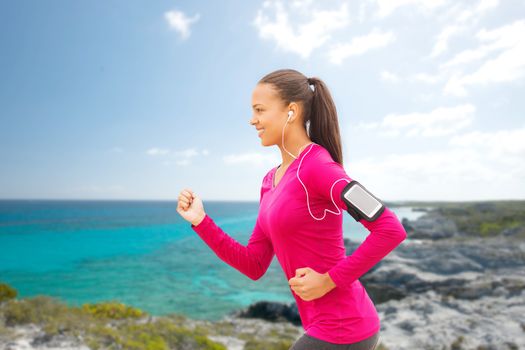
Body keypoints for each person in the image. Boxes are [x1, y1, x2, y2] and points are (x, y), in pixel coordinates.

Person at [176, 69, 407, 350]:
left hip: (345, 327)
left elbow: (390, 229)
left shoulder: (320, 168)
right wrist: (201, 221)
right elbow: (254, 264)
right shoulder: (269, 182)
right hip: (322, 327)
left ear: (291, 112)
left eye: (260, 110)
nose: (252, 120)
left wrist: (329, 280)